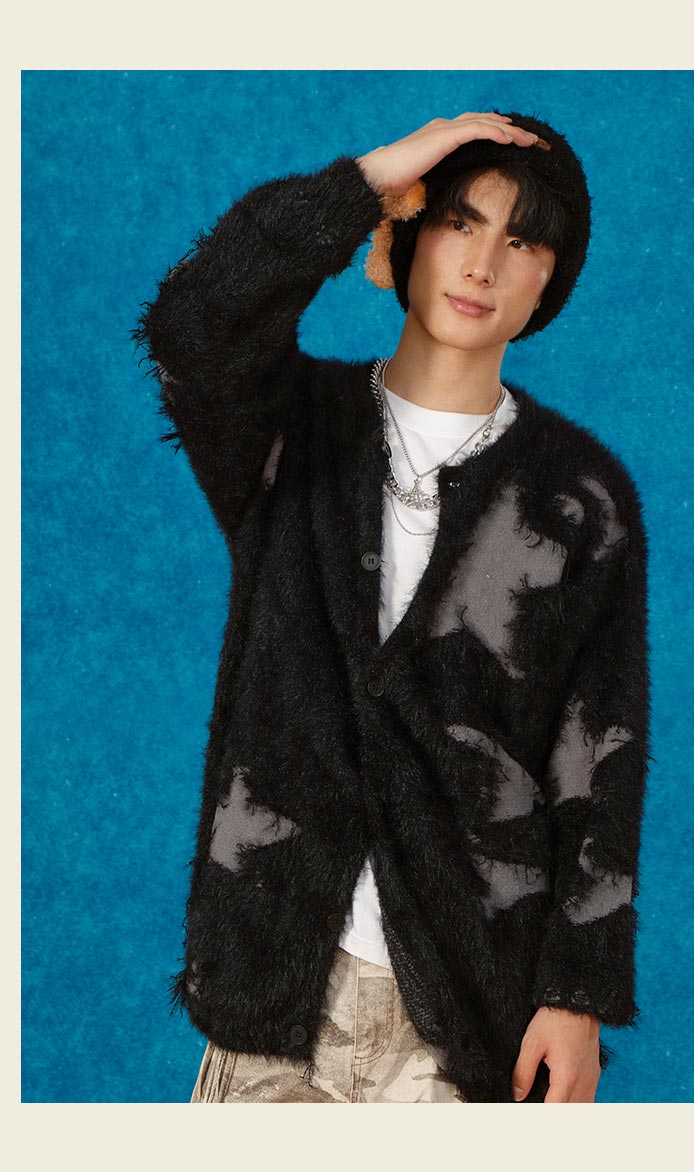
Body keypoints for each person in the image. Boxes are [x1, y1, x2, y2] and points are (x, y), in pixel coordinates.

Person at [133, 110, 650, 1103]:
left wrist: (577, 994)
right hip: (276, 992)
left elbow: (599, 756)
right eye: (459, 222)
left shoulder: (579, 497)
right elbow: (193, 325)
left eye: (522, 242)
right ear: (407, 235)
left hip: (471, 1013)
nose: (482, 266)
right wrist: (364, 182)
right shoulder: (292, 431)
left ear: (550, 280)